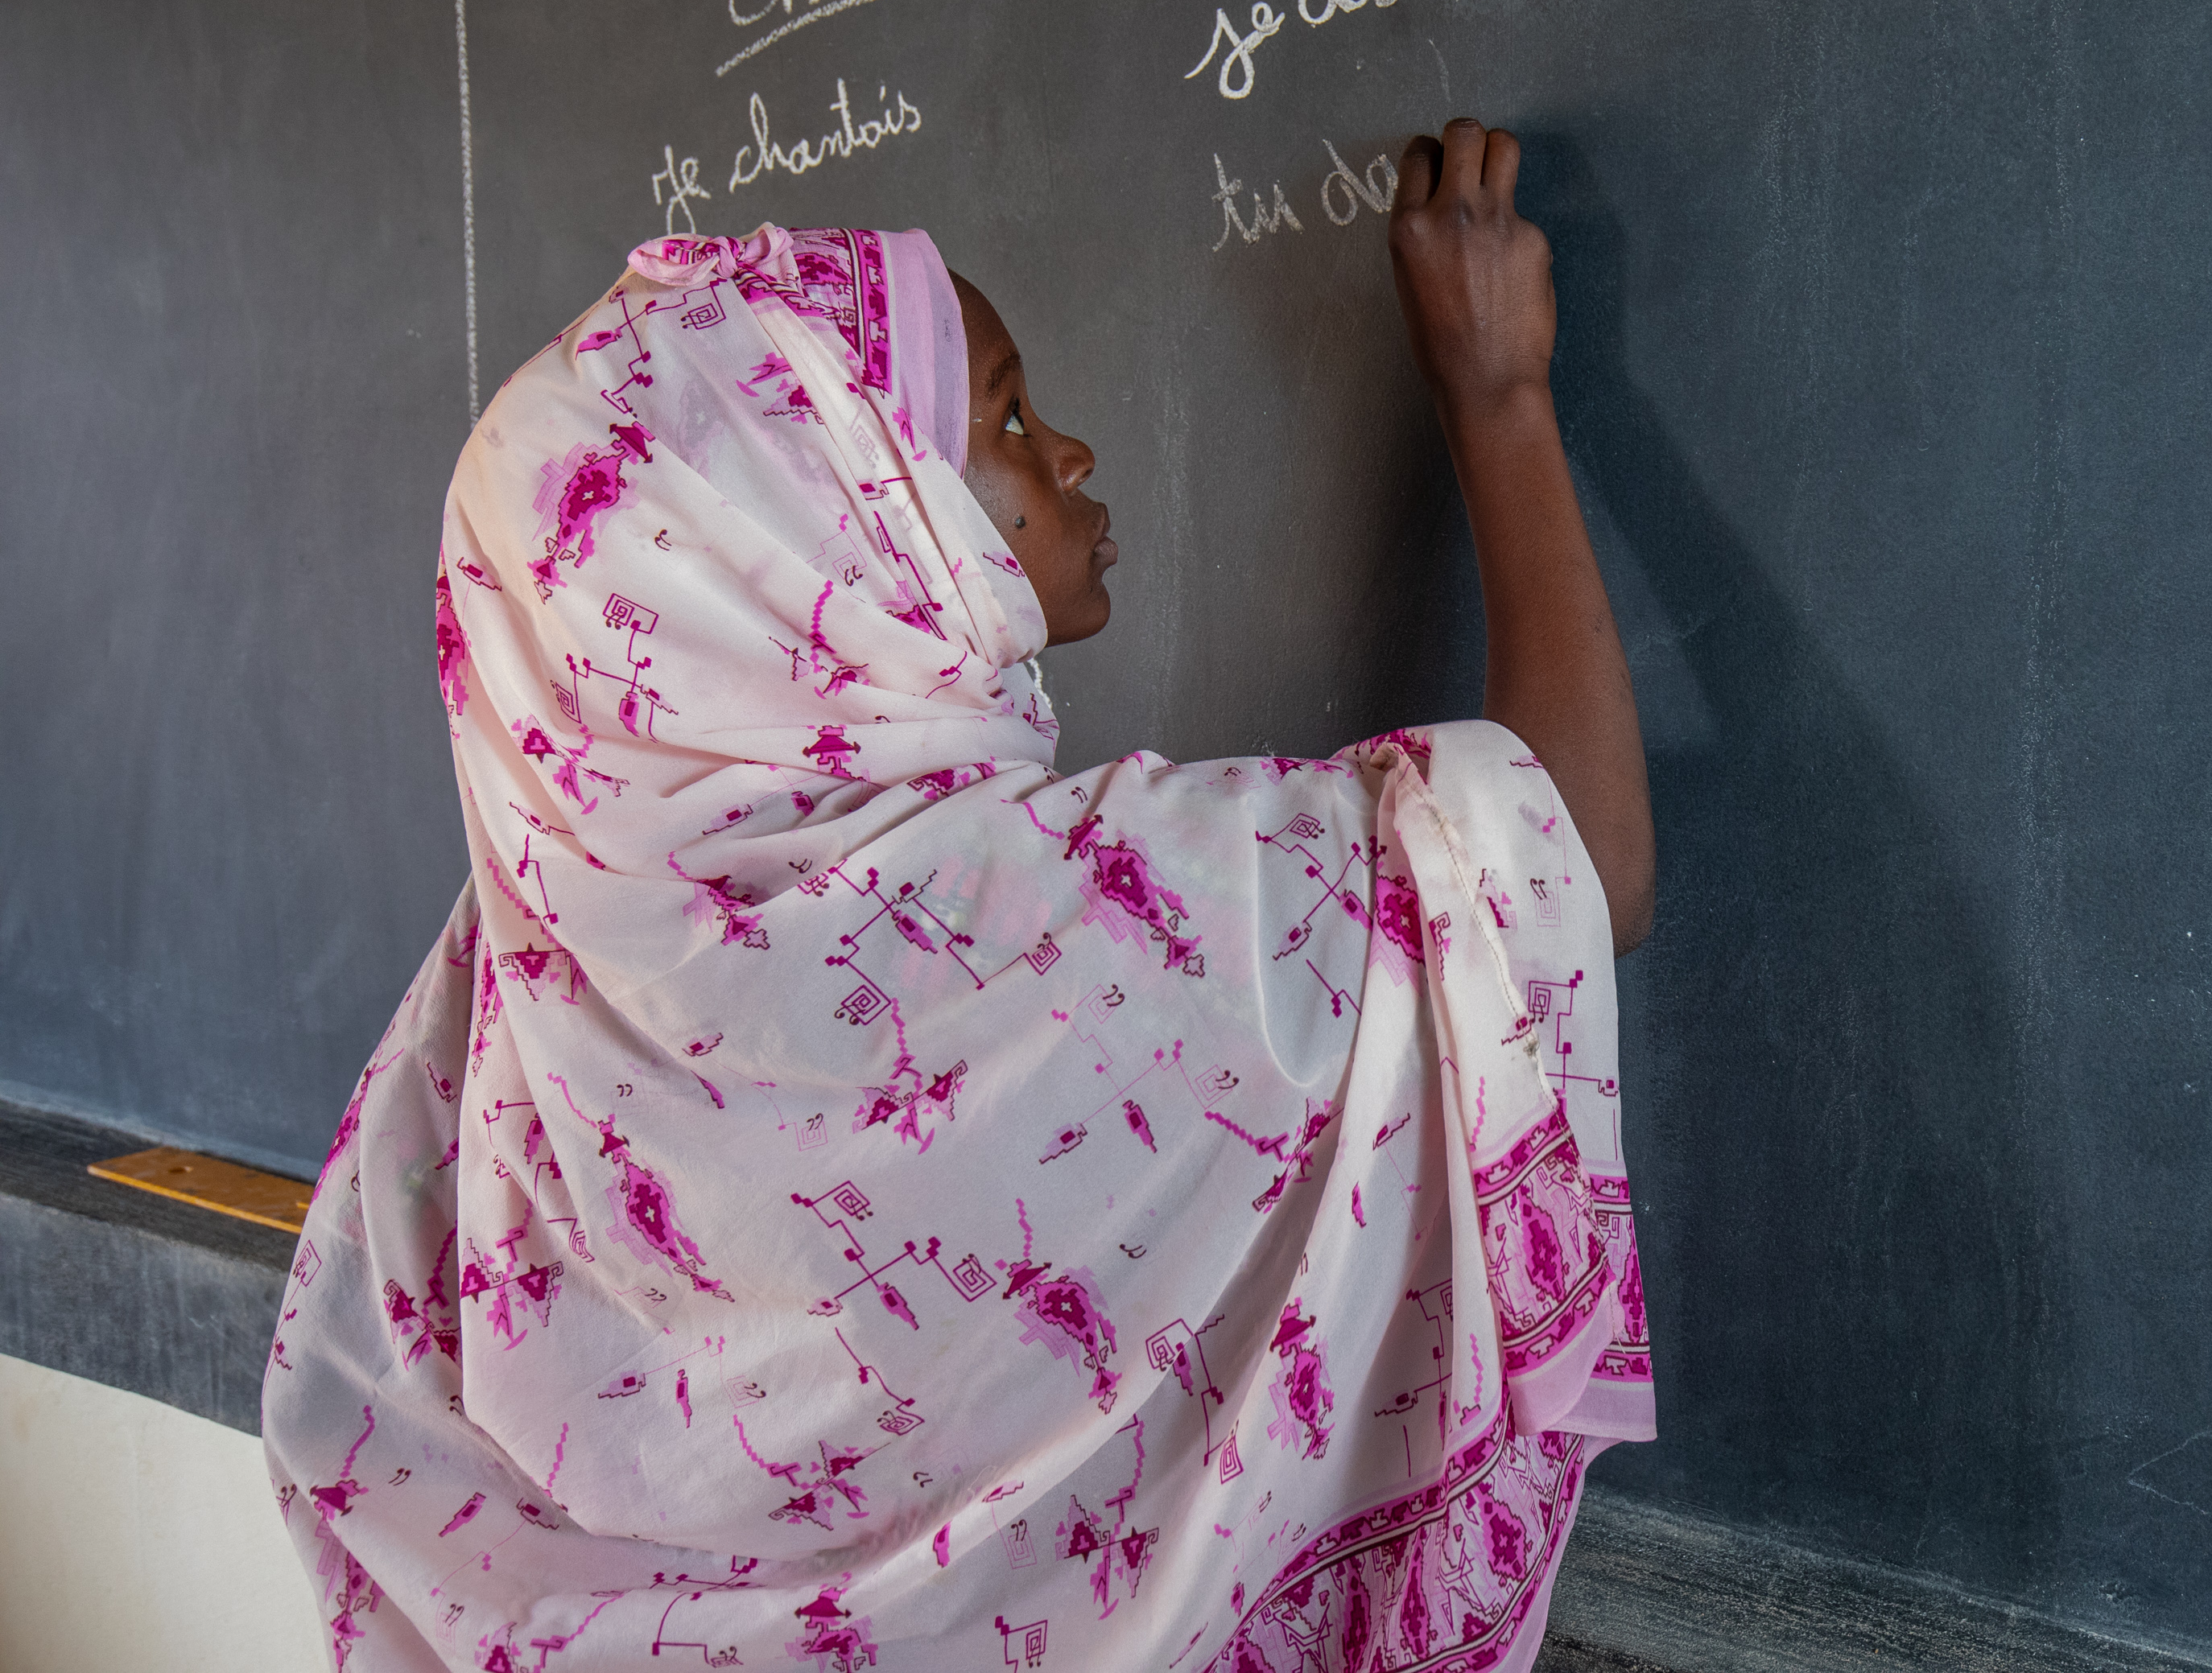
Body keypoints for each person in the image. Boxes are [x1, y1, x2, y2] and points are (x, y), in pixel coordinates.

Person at [263, 120, 1656, 1671]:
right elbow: (1573, 860)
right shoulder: (1074, 935)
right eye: (1000, 416)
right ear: (826, 550)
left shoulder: (524, 995)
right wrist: (1500, 397)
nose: (1065, 456)